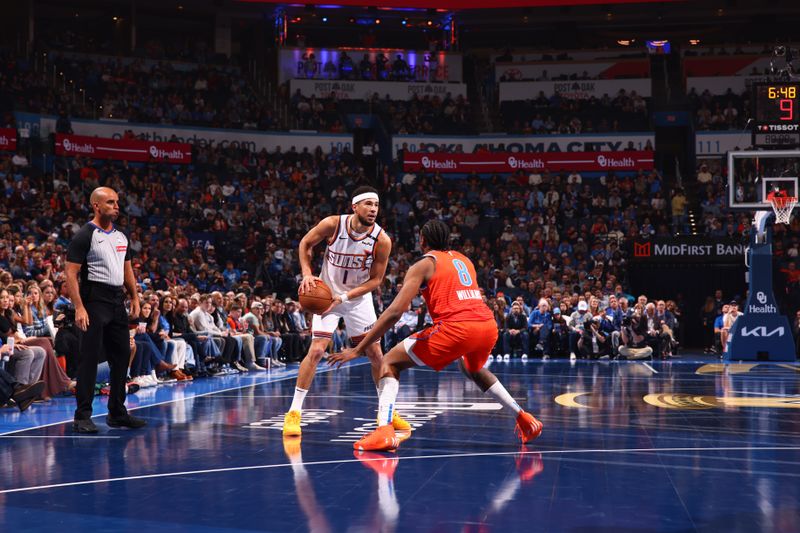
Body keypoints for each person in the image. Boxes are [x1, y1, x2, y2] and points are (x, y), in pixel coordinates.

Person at [329, 220, 543, 452]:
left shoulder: (423, 265)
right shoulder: (464, 260)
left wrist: (359, 348)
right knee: (472, 369)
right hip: (487, 325)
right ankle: (524, 419)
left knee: (389, 362)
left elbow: (395, 312)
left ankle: (384, 431)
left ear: (422, 240)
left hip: (457, 328)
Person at [283, 186, 410, 436]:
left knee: (375, 353)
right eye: (368, 204)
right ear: (355, 206)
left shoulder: (382, 240)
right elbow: (305, 243)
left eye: (376, 205)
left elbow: (376, 280)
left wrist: (344, 297)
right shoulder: (333, 224)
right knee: (317, 350)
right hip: (326, 295)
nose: (373, 209)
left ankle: (386, 411)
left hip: (357, 299)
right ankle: (294, 412)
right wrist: (307, 274)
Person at [65, 187, 146, 433]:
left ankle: (117, 413)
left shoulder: (121, 237)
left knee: (122, 356)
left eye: (117, 202)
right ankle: (82, 416)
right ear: (96, 206)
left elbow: (127, 268)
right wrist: (79, 307)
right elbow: (70, 272)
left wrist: (134, 297)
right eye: (110, 202)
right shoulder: (84, 235)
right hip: (94, 300)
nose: (116, 206)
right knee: (89, 359)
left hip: (116, 300)